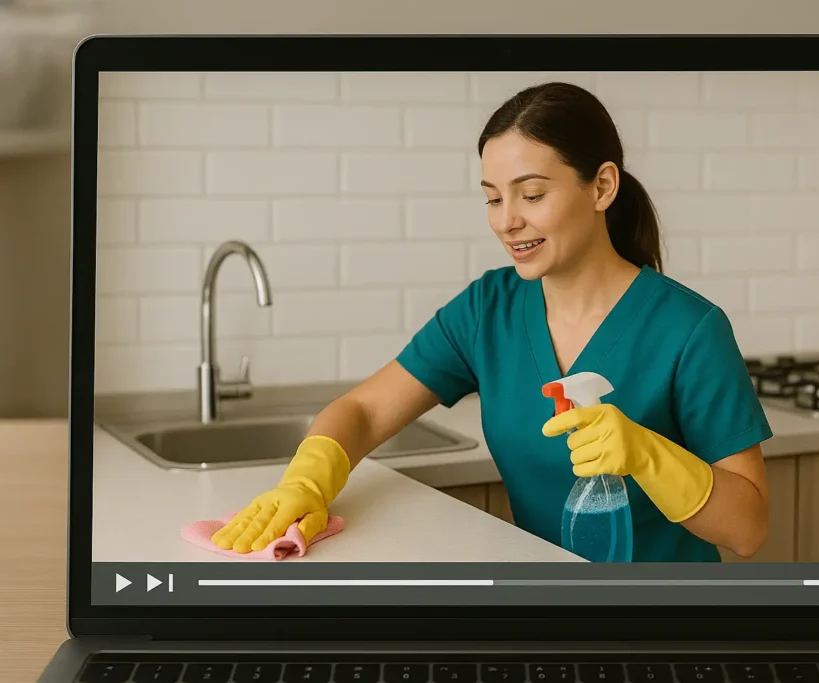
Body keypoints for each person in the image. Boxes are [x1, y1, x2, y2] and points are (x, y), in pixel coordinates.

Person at [211, 82, 774, 562]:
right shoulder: (489, 309)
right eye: (492, 198)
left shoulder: (690, 329)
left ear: (602, 186)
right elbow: (363, 409)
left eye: (531, 193)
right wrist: (306, 481)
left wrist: (651, 455)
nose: (508, 221)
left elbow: (747, 531)